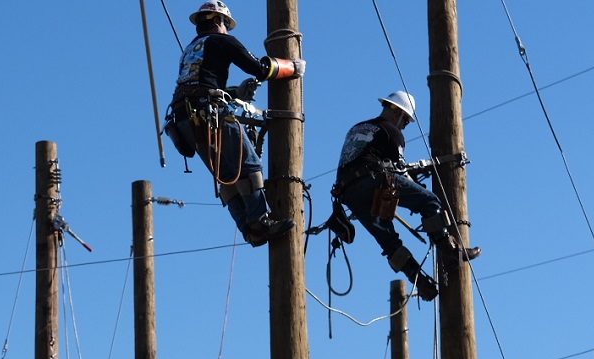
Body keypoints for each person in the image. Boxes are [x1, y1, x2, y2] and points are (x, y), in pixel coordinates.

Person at [168, 0, 305, 247]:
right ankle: (260, 222)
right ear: (219, 22)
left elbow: (200, 83)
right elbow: (260, 68)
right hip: (209, 114)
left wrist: (234, 92)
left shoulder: (190, 49)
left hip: (185, 120)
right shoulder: (223, 41)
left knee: (226, 175)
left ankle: (248, 229)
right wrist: (291, 67)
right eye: (226, 24)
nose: (228, 30)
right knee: (248, 164)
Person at [332, 91, 481, 301]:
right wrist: (414, 191)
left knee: (389, 241)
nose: (404, 126)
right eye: (406, 121)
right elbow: (400, 171)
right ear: (397, 114)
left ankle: (422, 283)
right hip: (374, 179)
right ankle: (450, 252)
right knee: (430, 201)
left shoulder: (357, 127)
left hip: (348, 193)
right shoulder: (392, 131)